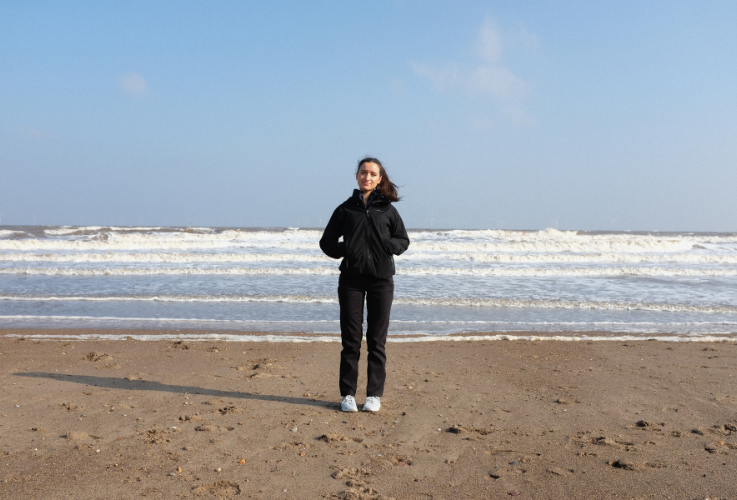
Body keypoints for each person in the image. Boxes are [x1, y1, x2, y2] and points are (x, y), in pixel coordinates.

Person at [319, 157, 410, 412]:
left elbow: (403, 240)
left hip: (382, 281)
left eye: (372, 174)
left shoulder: (388, 210)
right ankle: (348, 394)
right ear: (357, 176)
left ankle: (373, 396)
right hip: (351, 281)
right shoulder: (345, 209)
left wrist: (386, 248)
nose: (367, 177)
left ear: (379, 179)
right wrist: (346, 249)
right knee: (351, 339)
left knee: (376, 339)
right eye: (363, 173)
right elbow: (326, 242)